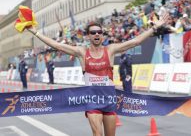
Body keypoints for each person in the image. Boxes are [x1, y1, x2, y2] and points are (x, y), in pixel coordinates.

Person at [27, 12, 169, 136]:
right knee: (97, 133)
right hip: (92, 100)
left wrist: (155, 27)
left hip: (109, 100)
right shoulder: (81, 52)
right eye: (93, 32)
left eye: (99, 32)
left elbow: (135, 41)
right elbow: (57, 45)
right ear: (88, 36)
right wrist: (35, 32)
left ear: (102, 36)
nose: (96, 34)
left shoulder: (110, 50)